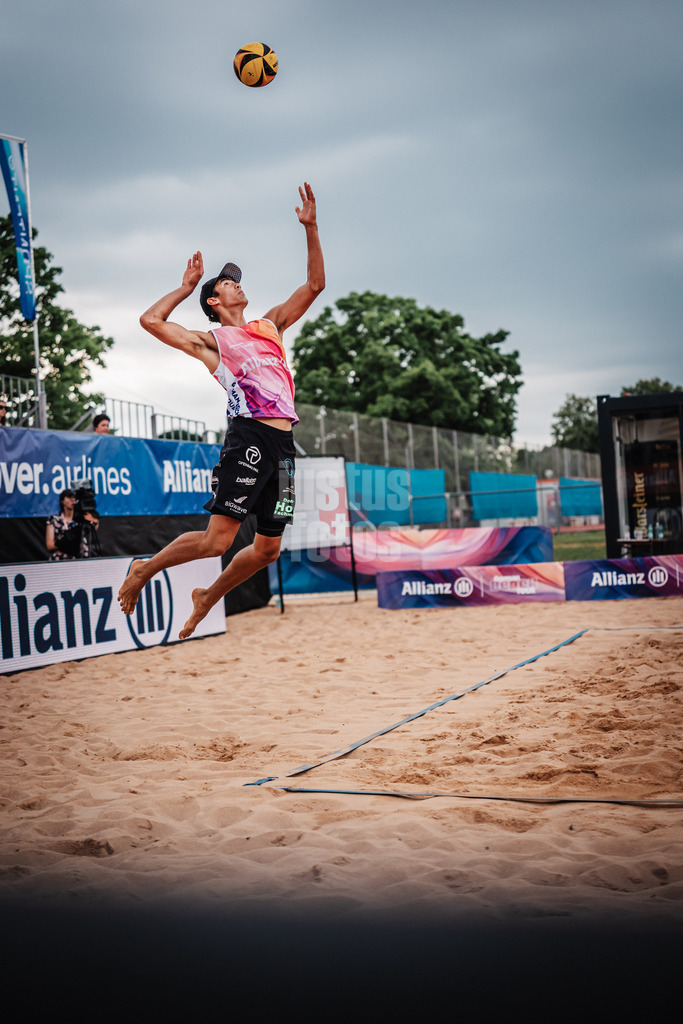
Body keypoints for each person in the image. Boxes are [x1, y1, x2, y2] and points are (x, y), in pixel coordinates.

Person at [118, 182, 324, 636]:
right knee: (217, 542)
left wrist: (310, 228)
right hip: (249, 439)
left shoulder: (269, 326)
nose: (236, 284)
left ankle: (208, 596)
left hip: (284, 444)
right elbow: (151, 321)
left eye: (236, 279)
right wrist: (185, 286)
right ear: (214, 301)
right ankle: (142, 570)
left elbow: (315, 285)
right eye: (227, 283)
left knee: (268, 550)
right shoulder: (214, 343)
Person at [46, 488, 99, 560]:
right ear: (62, 501)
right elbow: (49, 546)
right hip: (61, 559)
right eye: (69, 497)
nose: (72, 500)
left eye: (74, 497)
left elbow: (92, 531)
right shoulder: (54, 519)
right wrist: (65, 543)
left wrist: (94, 521)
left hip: (81, 558)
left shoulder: (81, 518)